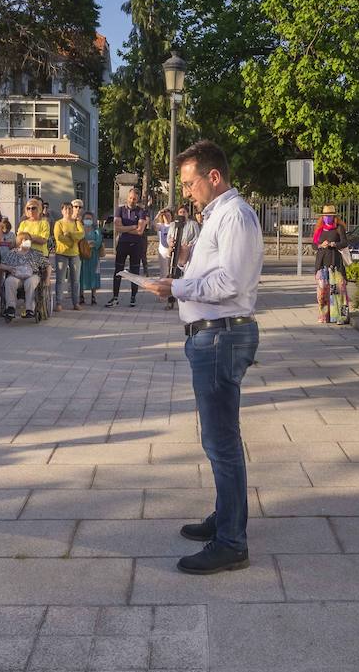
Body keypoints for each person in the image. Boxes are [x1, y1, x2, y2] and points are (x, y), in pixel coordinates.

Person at [140, 141, 262, 575]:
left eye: (190, 184)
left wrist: (176, 288)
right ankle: (224, 517)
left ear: (214, 177)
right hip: (212, 336)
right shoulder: (218, 217)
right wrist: (177, 281)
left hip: (221, 336)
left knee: (221, 442)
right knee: (219, 440)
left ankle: (232, 542)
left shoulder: (235, 216)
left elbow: (230, 283)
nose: (186, 192)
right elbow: (211, 274)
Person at [107, 187, 149, 308]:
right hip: (123, 244)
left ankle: (133, 297)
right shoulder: (119, 210)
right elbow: (118, 228)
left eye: (134, 199)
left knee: (134, 272)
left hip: (136, 245)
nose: (132, 200)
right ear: (127, 197)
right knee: (118, 271)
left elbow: (140, 231)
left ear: (138, 199)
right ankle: (115, 297)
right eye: (130, 198)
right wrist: (133, 226)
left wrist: (126, 228)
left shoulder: (141, 211)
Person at [311, 204, 350, 324]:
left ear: (334, 217)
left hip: (335, 264)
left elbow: (344, 242)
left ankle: (341, 317)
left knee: (339, 291)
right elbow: (313, 244)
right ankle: (324, 316)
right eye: (325, 215)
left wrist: (334, 244)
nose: (327, 218)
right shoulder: (319, 229)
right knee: (322, 292)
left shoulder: (339, 228)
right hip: (322, 266)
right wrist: (320, 245)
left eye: (330, 216)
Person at [1, 232, 48, 319]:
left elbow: (47, 265)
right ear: (19, 241)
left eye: (28, 240)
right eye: (24, 240)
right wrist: (9, 268)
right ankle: (10, 308)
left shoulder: (36, 253)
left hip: (32, 275)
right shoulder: (12, 253)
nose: (27, 241)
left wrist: (47, 280)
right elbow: (1, 265)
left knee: (30, 283)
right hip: (16, 276)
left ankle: (30, 309)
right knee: (9, 281)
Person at [166, 203, 201, 311]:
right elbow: (169, 238)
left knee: (188, 278)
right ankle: (171, 302)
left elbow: (197, 237)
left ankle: (188, 301)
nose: (182, 214)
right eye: (180, 212)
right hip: (175, 254)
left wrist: (189, 245)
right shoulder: (173, 225)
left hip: (188, 254)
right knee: (172, 277)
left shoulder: (193, 224)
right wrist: (171, 243)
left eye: (184, 212)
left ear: (187, 213)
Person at [53, 200, 84, 312]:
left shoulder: (76, 222)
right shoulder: (59, 223)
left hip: (75, 254)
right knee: (60, 279)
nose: (68, 211)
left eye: (70, 208)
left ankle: (76, 303)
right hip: (61, 253)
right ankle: (59, 303)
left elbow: (81, 234)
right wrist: (72, 242)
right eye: (65, 209)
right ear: (62, 211)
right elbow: (59, 237)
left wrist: (70, 234)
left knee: (75, 280)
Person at [80, 209, 104, 305]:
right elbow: (79, 241)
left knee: (94, 275)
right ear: (83, 219)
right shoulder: (80, 229)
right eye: (86, 218)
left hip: (94, 257)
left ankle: (93, 296)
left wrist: (92, 243)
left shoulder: (96, 230)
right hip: (83, 256)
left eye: (90, 219)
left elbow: (98, 242)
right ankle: (81, 296)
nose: (88, 220)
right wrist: (88, 244)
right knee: (81, 276)